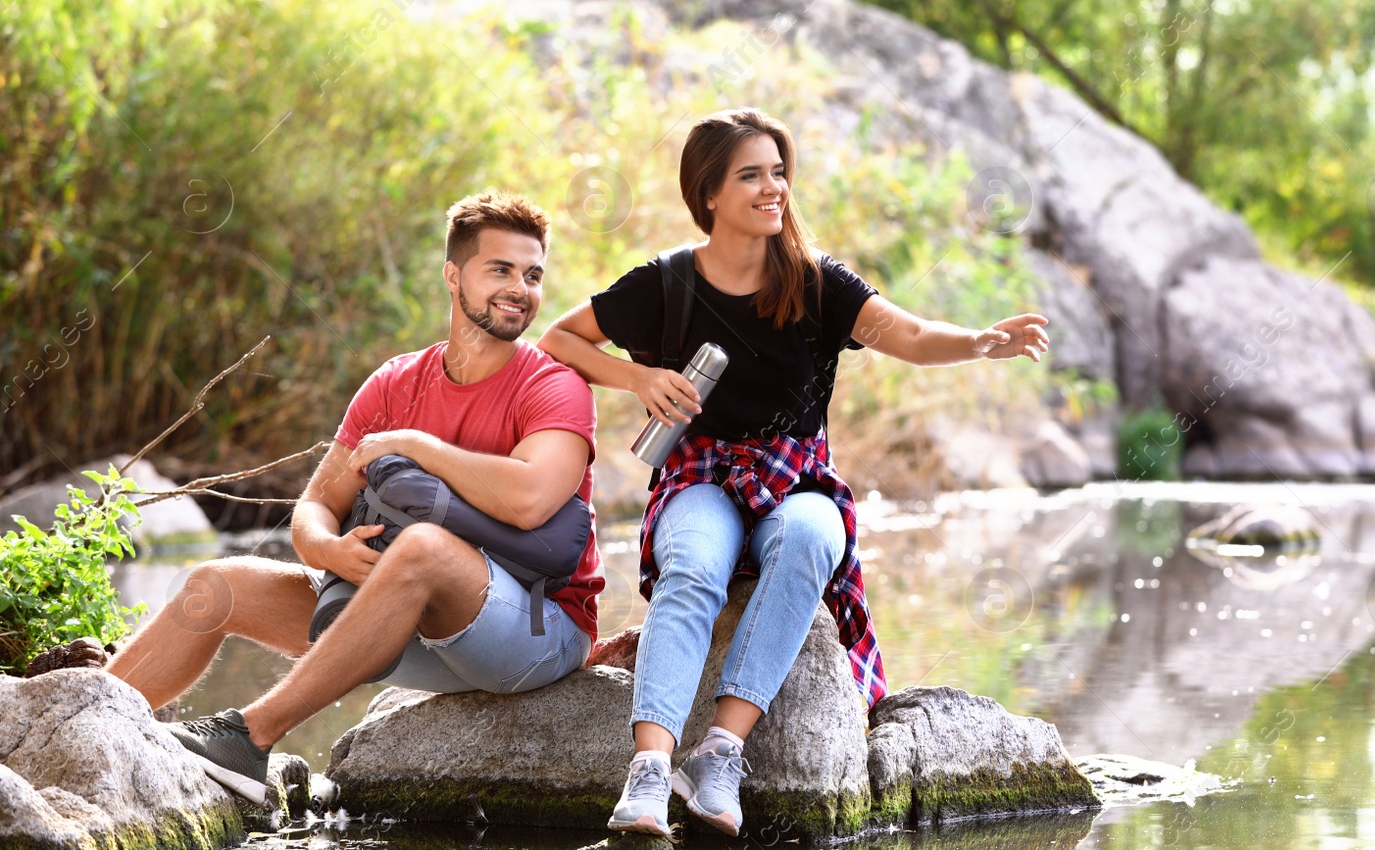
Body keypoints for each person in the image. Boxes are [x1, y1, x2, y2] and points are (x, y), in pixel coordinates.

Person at [537, 108, 1049, 836]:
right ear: (708, 192)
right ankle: (649, 768)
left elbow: (905, 333)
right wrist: (637, 377)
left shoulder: (815, 283)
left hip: (796, 478)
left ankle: (720, 752)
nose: (774, 187)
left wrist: (979, 341)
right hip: (700, 475)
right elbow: (560, 338)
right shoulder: (668, 282)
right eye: (752, 174)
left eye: (779, 171)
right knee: (694, 566)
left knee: (814, 537)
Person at [107, 189, 603, 805]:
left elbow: (532, 500)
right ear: (453, 276)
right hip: (402, 626)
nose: (519, 289)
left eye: (532, 275)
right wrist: (329, 552)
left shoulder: (555, 387)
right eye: (499, 269)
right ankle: (87, 720)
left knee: (422, 547)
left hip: (535, 627)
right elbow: (315, 506)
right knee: (218, 583)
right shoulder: (395, 383)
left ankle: (247, 740)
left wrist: (418, 445)